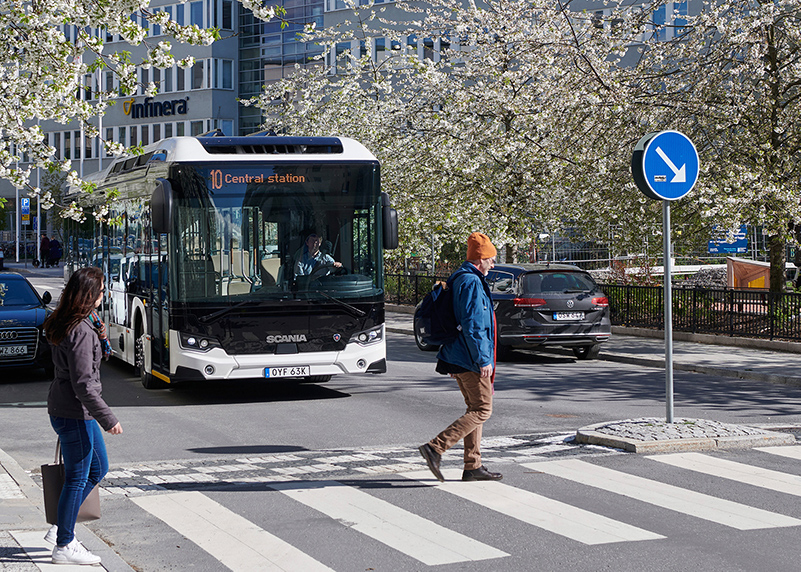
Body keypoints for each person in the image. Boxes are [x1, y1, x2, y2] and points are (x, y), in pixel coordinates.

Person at [43, 267, 123, 566]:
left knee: (98, 467)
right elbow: (84, 384)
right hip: (75, 412)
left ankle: (61, 527)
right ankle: (64, 544)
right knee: (77, 478)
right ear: (90, 295)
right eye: (102, 291)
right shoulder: (80, 330)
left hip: (72, 410)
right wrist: (109, 418)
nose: (105, 295)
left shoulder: (82, 323)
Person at [419, 232, 502, 482]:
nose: (493, 264)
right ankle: (435, 447)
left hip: (460, 354)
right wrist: (483, 359)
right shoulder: (471, 282)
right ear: (480, 259)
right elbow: (473, 325)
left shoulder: (461, 278)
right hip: (469, 357)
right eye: (491, 259)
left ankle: (473, 465)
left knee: (474, 408)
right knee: (482, 409)